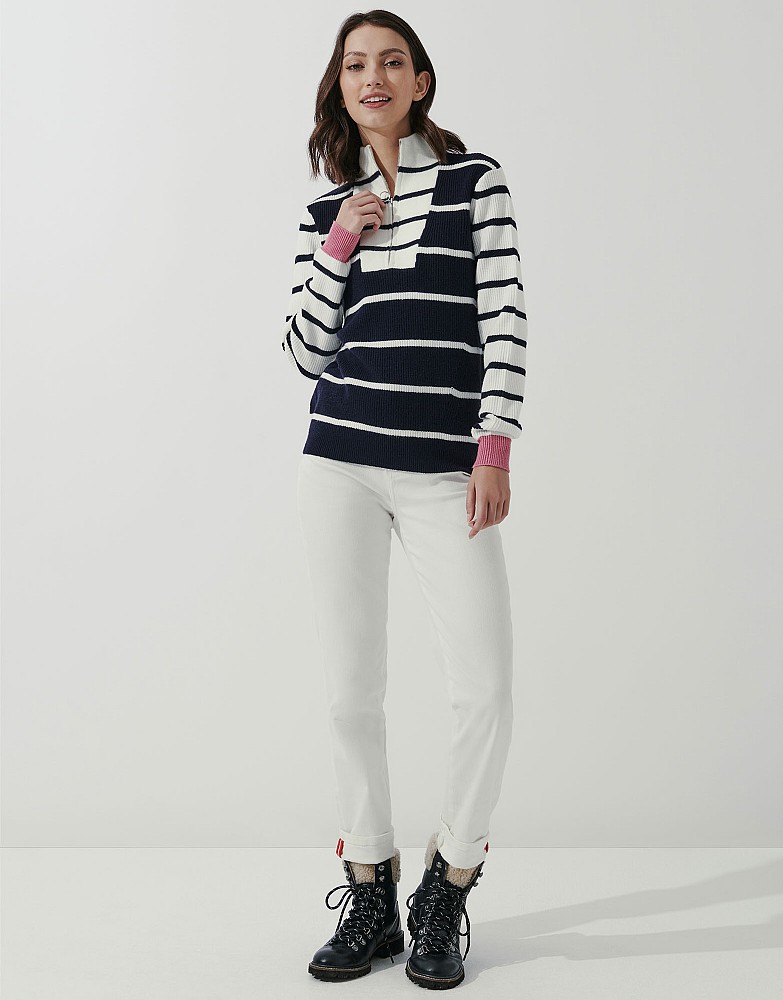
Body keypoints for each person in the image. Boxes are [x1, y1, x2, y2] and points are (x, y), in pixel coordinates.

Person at [281, 10, 527, 990]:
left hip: (442, 471)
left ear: (420, 81)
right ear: (340, 87)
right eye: (355, 65)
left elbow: (505, 316)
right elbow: (304, 354)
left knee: (486, 687)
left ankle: (447, 885)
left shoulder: (476, 183)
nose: (373, 76)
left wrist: (493, 445)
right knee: (350, 692)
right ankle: (371, 888)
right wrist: (341, 241)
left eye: (391, 61)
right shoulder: (326, 210)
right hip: (338, 464)